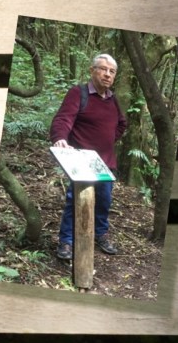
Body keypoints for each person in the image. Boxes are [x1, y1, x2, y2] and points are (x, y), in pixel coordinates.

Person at [50, 53, 127, 261]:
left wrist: (109, 141)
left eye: (112, 71)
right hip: (82, 161)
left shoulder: (113, 99)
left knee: (104, 200)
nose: (107, 74)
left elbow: (122, 124)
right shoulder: (79, 93)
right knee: (75, 200)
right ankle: (67, 240)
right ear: (92, 70)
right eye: (103, 69)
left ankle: (100, 234)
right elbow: (63, 119)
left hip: (105, 163)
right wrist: (60, 138)